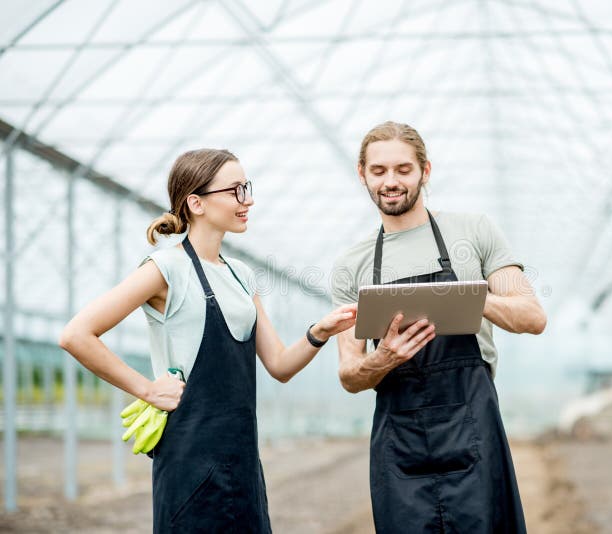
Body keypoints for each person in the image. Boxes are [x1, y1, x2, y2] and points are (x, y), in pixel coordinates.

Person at [60, 148, 357, 532]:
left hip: (243, 460)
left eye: (246, 188)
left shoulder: (241, 275)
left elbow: (280, 365)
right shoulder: (166, 268)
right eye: (235, 190)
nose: (247, 199)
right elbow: (76, 334)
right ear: (196, 203)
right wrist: (148, 390)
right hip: (189, 462)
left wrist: (320, 331)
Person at [331, 122, 546, 533]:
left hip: (473, 430)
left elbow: (532, 317)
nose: (391, 182)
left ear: (425, 171)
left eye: (403, 169)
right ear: (362, 174)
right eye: (378, 171)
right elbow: (349, 375)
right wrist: (383, 358)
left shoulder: (474, 232)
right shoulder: (351, 267)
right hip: (400, 442)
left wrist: (469, 297)